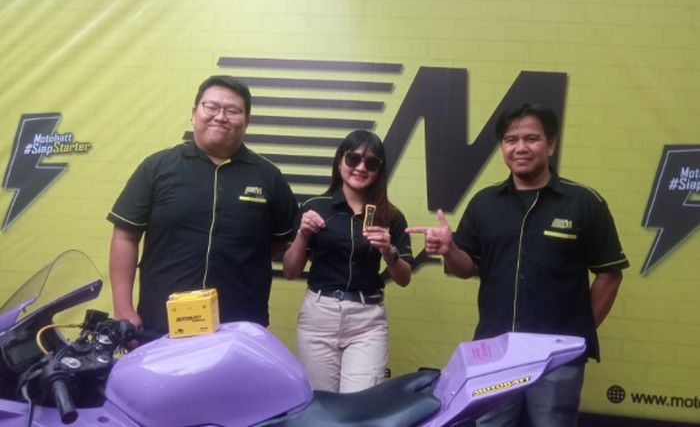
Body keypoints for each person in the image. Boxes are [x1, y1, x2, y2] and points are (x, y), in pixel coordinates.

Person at [407, 103, 628, 427]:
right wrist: (450, 250)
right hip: (495, 354)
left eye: (531, 138)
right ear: (502, 147)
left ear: (550, 144)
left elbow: (610, 274)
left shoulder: (583, 202)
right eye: (511, 140)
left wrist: (576, 334)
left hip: (556, 357)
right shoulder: (484, 203)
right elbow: (466, 268)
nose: (520, 147)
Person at [107, 75, 298, 340]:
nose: (221, 117)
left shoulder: (268, 177)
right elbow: (125, 237)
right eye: (212, 107)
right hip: (161, 324)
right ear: (194, 113)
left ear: (247, 121)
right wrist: (123, 309)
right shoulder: (157, 168)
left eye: (233, 110)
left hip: (239, 327)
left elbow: (280, 244)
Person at [283, 129, 413, 393]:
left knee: (361, 405)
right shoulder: (315, 207)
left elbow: (403, 279)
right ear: (340, 160)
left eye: (371, 163)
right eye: (353, 159)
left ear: (379, 170)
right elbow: (290, 271)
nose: (361, 168)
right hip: (319, 314)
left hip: (367, 319)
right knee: (322, 405)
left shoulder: (391, 216)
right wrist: (302, 235)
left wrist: (389, 251)